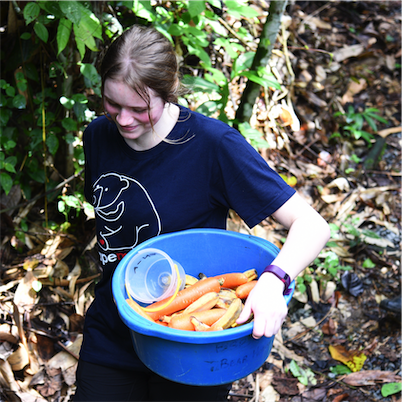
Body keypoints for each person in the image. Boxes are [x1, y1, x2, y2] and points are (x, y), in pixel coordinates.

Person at [74, 24, 330, 402]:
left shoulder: (212, 145)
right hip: (115, 329)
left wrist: (275, 280)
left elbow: (312, 226)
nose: (124, 119)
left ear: (168, 91)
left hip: (190, 340)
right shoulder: (98, 135)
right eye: (113, 104)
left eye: (138, 108)